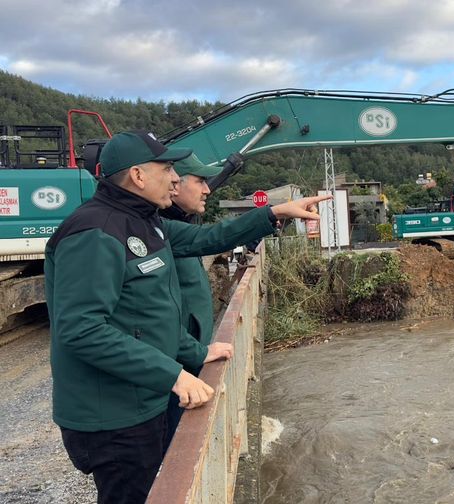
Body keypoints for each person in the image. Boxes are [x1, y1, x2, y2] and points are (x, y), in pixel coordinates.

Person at [45, 130, 329, 504]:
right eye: (167, 169)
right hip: (111, 414)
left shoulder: (147, 223)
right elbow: (80, 330)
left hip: (140, 401)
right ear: (138, 176)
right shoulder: (95, 233)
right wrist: (173, 374)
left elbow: (201, 247)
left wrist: (274, 212)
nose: (176, 179)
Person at [159, 153, 228, 441]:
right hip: (177, 371)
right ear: (175, 182)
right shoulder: (159, 233)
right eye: (200, 180)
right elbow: (154, 314)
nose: (207, 189)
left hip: (188, 362)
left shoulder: (173, 228)